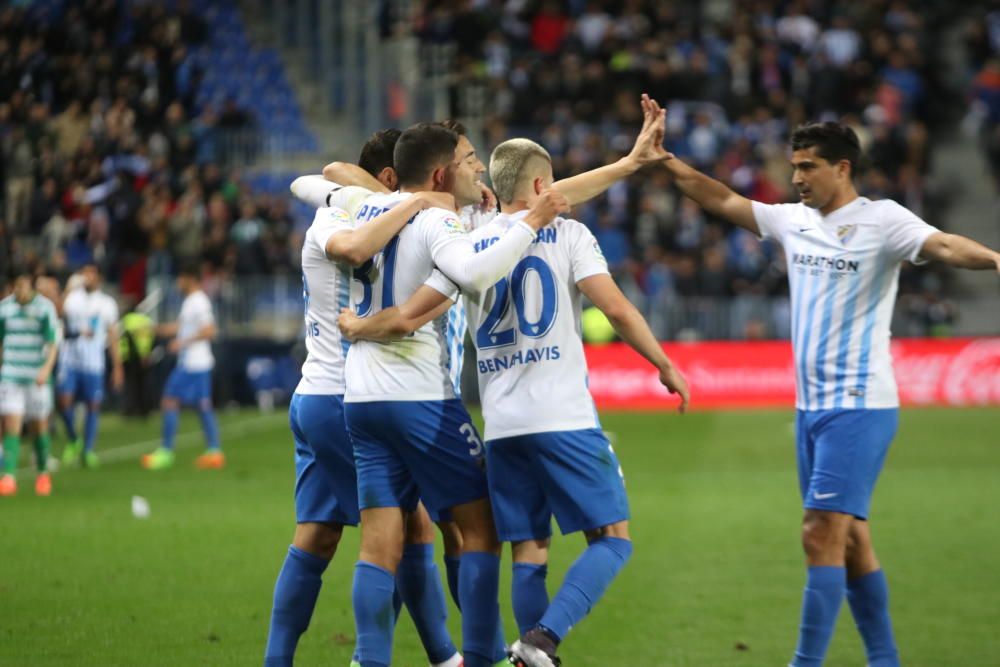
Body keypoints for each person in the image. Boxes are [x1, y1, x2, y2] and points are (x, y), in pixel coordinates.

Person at [653, 103, 1000, 667]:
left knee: (818, 532)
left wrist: (994, 259)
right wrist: (664, 162)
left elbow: (942, 245)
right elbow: (720, 199)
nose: (796, 178)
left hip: (859, 405)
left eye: (808, 167)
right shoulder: (793, 220)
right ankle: (885, 659)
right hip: (811, 409)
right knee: (850, 538)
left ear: (843, 168)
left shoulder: (883, 220)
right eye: (794, 166)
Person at [337, 131, 689, 667]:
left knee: (530, 550)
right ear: (544, 186)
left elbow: (416, 307)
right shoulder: (568, 234)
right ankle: (541, 640)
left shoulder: (471, 234)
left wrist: (365, 327)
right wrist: (663, 363)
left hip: (501, 426)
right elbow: (616, 310)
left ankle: (505, 657)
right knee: (614, 539)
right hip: (563, 416)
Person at [343, 122, 568, 667]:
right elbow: (471, 271)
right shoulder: (438, 217)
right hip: (419, 396)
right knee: (481, 529)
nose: (479, 169)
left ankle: (370, 661)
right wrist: (532, 219)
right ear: (441, 173)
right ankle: (485, 656)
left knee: (379, 543)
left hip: (361, 399)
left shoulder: (365, 211)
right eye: (469, 160)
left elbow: (325, 179)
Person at [264, 175, 466, 666]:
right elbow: (341, 214)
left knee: (317, 533)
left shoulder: (378, 217)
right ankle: (435, 657)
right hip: (342, 395)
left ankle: (278, 661)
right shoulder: (343, 218)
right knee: (407, 532)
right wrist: (412, 200)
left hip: (319, 394)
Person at [141, 265, 223, 470]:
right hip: (198, 363)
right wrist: (155, 329)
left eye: (180, 278)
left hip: (193, 363)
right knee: (203, 405)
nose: (178, 282)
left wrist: (183, 343)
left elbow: (210, 331)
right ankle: (214, 452)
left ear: (190, 279)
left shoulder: (199, 301)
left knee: (169, 400)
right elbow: (180, 327)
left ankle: (166, 452)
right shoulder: (191, 302)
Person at [58, 263, 123, 468]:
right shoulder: (73, 298)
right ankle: (74, 439)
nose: (87, 277)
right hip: (70, 359)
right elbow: (58, 312)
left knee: (93, 405)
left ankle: (88, 450)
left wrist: (118, 367)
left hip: (94, 362)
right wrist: (68, 288)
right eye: (84, 272)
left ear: (99, 278)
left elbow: (113, 335)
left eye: (91, 273)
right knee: (63, 400)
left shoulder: (107, 303)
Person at [0, 272, 60, 497]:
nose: (20, 291)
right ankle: (8, 477)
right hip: (11, 374)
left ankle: (43, 473)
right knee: (11, 423)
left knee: (38, 427)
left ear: (33, 288)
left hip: (36, 377)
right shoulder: (4, 309)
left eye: (24, 287)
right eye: (17, 286)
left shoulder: (44, 308)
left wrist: (45, 369)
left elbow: (52, 343)